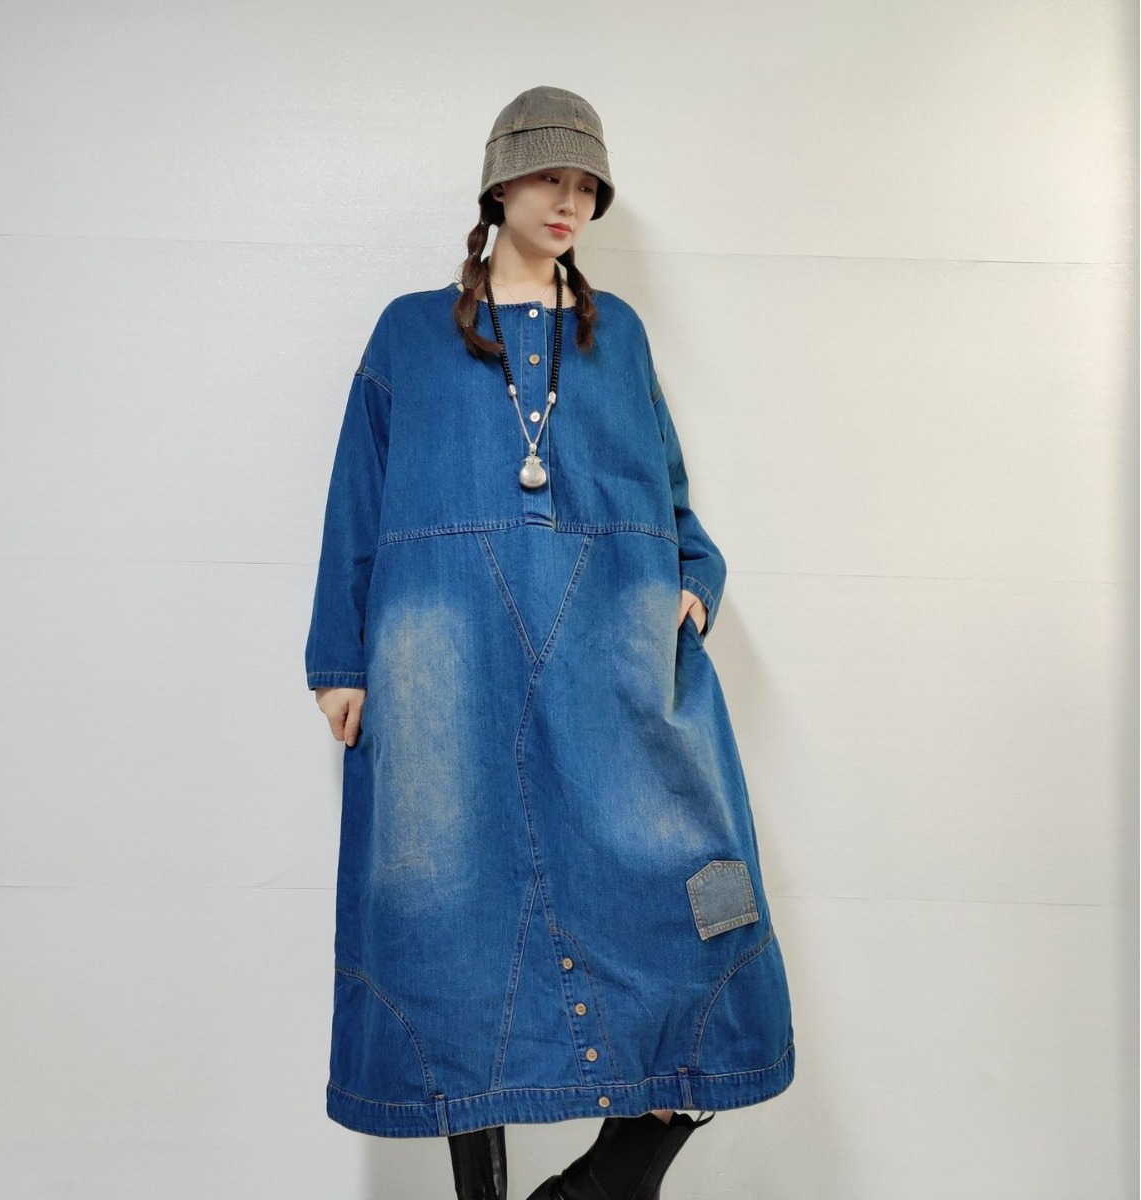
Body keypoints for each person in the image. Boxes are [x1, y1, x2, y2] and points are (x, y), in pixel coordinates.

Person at [306, 86, 795, 1200]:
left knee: (691, 904)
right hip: (442, 660)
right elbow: (356, 497)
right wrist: (340, 660)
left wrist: (693, 586)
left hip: (608, 661)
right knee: (449, 921)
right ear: (499, 186)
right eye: (547, 177)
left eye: (586, 186)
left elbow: (670, 490)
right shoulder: (407, 332)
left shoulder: (615, 335)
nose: (568, 201)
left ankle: (610, 1176)